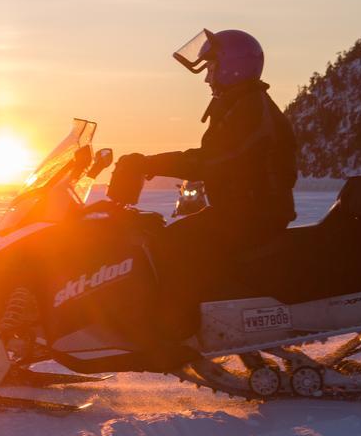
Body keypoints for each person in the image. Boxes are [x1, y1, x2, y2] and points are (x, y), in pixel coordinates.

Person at [110, 28, 298, 335]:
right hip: (245, 211)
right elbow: (217, 159)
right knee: (169, 238)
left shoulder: (249, 108)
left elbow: (213, 160)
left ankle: (177, 331)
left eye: (211, 68)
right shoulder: (242, 104)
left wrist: (148, 164)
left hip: (253, 216)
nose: (207, 78)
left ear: (231, 67)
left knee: (171, 244)